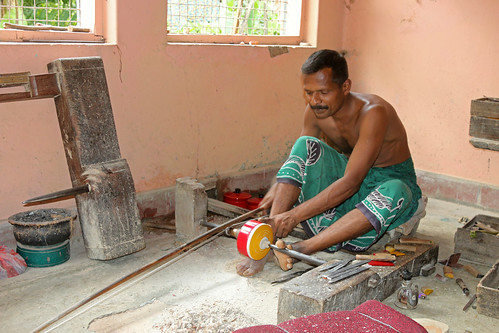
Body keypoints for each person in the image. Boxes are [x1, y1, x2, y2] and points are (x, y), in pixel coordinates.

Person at [236, 49, 422, 277]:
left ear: (345, 87)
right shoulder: (315, 112)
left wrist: (294, 216)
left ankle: (305, 247)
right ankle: (270, 234)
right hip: (350, 175)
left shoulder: (374, 113)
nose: (315, 101)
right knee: (305, 143)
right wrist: (277, 188)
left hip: (385, 183)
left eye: (323, 92)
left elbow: (352, 183)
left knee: (395, 190)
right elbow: (299, 158)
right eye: (308, 92)